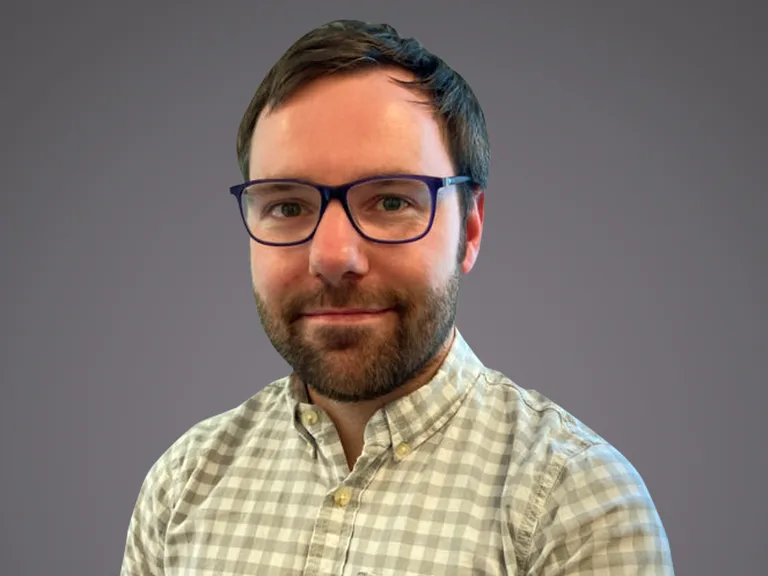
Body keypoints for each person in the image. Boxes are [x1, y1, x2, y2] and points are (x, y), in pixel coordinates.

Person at [121, 19, 674, 575]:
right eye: (288, 206)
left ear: (471, 228)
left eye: (389, 202)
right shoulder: (181, 486)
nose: (333, 256)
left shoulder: (577, 507)